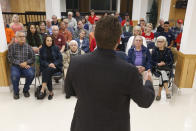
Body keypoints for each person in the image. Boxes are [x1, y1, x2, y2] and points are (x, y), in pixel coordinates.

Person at [65, 16, 155, 131]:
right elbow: (145, 100)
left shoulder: (76, 62)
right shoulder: (129, 71)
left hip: (83, 124)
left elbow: (69, 90)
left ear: (95, 37)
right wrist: (148, 82)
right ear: (118, 40)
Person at [8, 31, 35, 99]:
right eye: (20, 36)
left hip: (26, 65)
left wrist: (26, 62)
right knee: (14, 76)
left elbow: (33, 58)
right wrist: (20, 63)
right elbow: (10, 58)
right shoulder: (12, 46)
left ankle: (25, 90)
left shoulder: (28, 47)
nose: (22, 38)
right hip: (16, 66)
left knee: (31, 74)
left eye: (23, 36)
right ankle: (16, 92)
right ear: (16, 37)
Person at [39, 35, 63, 100]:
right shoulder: (42, 49)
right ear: (45, 41)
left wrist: (54, 64)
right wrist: (48, 64)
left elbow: (60, 59)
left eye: (51, 41)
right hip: (46, 67)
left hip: (56, 67)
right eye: (48, 40)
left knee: (46, 71)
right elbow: (41, 60)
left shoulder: (56, 48)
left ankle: (43, 89)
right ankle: (50, 92)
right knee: (48, 71)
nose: (49, 42)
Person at [151, 36, 174, 100]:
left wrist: (164, 63)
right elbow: (151, 61)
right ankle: (167, 91)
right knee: (163, 73)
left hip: (167, 69)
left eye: (161, 41)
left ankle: (159, 93)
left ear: (165, 43)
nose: (159, 43)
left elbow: (172, 61)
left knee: (163, 73)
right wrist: (157, 64)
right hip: (156, 68)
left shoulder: (168, 51)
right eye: (158, 41)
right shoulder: (154, 50)